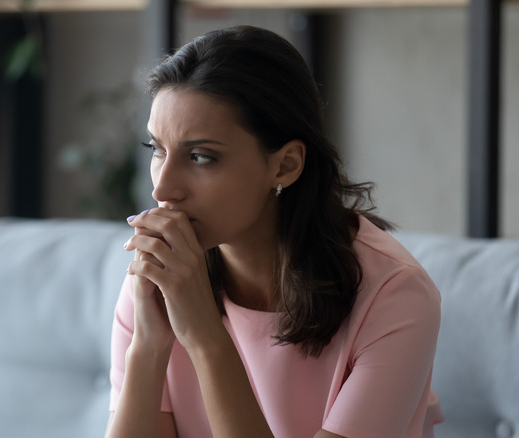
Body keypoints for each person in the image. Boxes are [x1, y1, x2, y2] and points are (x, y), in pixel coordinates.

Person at [105, 25, 443, 438]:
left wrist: (206, 339)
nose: (162, 188)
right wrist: (148, 347)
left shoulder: (395, 296)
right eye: (157, 149)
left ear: (284, 165)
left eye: (201, 156)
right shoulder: (164, 269)